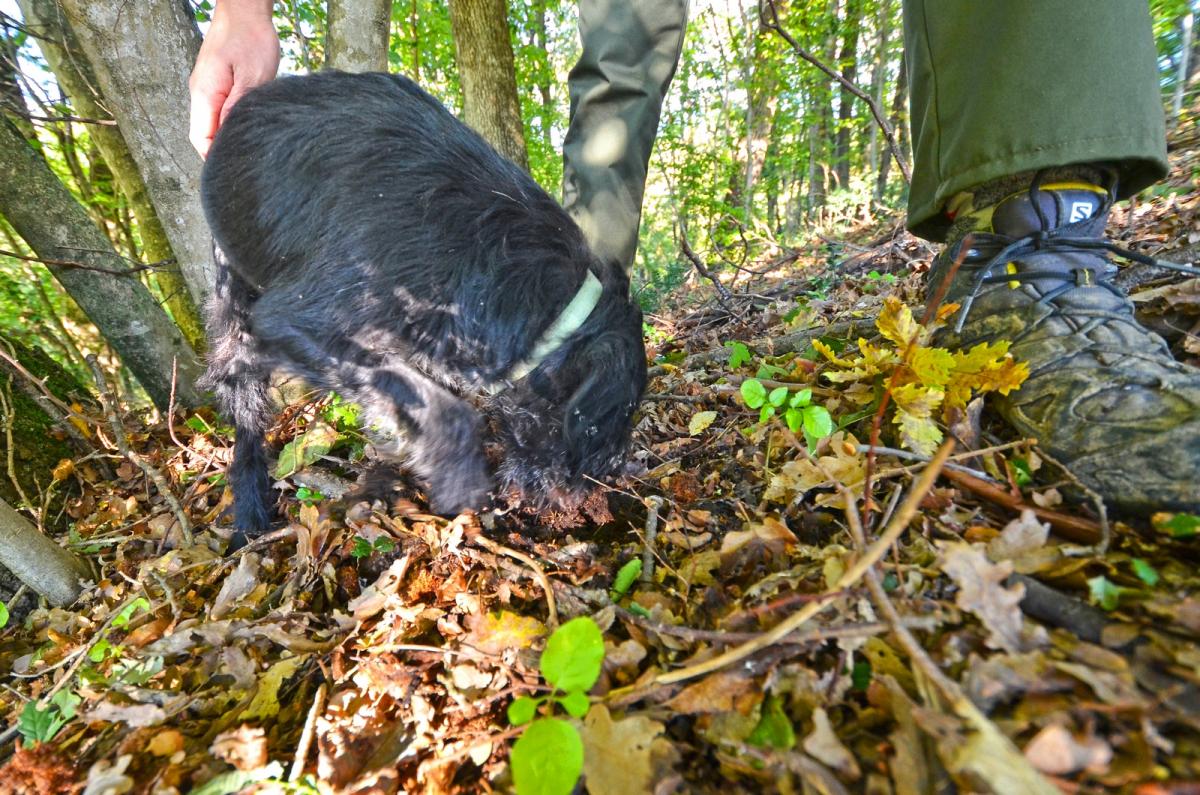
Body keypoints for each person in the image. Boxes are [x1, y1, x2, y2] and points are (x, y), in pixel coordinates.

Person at [189, 0, 1200, 514]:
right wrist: (242, 11)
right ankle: (586, 280)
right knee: (621, 43)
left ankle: (1037, 239)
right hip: (303, 215)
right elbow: (283, 322)